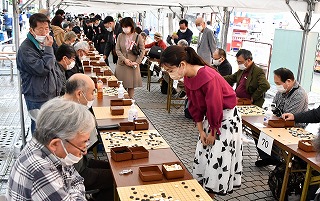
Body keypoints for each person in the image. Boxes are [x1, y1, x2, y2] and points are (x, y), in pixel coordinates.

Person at [160, 46, 242, 196]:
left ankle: (210, 194)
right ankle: (204, 193)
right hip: (211, 120)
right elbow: (194, 105)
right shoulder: (188, 76)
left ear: (182, 65)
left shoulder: (207, 76)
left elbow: (215, 107)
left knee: (217, 159)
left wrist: (212, 132)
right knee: (204, 156)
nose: (170, 74)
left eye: (170, 70)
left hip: (225, 119)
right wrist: (201, 130)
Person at [7, 98, 95, 200]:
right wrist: (74, 192)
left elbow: (77, 179)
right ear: (55, 143)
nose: (85, 151)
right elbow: (75, 182)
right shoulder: (40, 170)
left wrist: (72, 193)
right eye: (82, 144)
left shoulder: (49, 149)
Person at [64, 74, 114, 201]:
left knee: (114, 168)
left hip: (83, 163)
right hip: (75, 172)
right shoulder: (67, 116)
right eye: (92, 93)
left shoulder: (66, 105)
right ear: (79, 94)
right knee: (116, 178)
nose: (94, 97)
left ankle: (98, 196)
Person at [17, 13, 62, 134]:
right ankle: (38, 152)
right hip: (37, 96)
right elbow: (42, 69)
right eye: (40, 29)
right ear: (31, 30)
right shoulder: (26, 48)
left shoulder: (46, 42)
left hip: (50, 94)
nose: (44, 32)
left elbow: (55, 62)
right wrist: (48, 48)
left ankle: (48, 152)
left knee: (51, 129)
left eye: (46, 28)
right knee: (40, 130)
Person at [255, 68, 308, 167]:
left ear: (288, 81)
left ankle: (279, 161)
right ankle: (269, 158)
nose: (277, 86)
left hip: (293, 127)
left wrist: (277, 114)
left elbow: (289, 117)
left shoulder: (299, 94)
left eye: (278, 83)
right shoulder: (282, 90)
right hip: (279, 122)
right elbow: (274, 105)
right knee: (257, 130)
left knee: (266, 130)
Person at [115, 17, 145, 98]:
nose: (124, 29)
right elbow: (117, 50)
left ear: (131, 26)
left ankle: (130, 102)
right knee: (121, 85)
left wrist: (137, 62)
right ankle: (121, 101)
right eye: (123, 27)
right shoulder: (120, 36)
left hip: (133, 64)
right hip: (122, 63)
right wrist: (124, 59)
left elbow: (142, 50)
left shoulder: (137, 36)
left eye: (126, 27)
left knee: (131, 86)